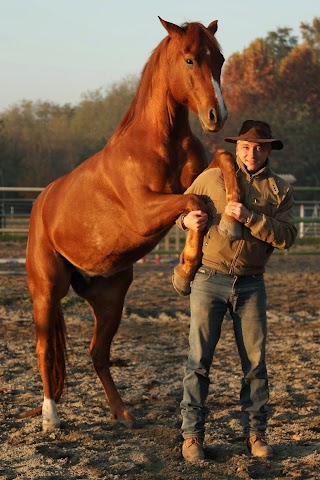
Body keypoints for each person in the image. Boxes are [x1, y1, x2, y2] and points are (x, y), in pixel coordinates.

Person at [176, 120, 297, 462]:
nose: (251, 153)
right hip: (208, 279)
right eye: (245, 146)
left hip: (251, 282)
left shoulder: (279, 190)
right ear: (237, 147)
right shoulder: (212, 177)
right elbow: (180, 210)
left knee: (255, 364)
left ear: (269, 149)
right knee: (199, 360)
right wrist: (187, 222)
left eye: (259, 147)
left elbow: (287, 236)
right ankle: (192, 437)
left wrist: (249, 218)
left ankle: (256, 435)